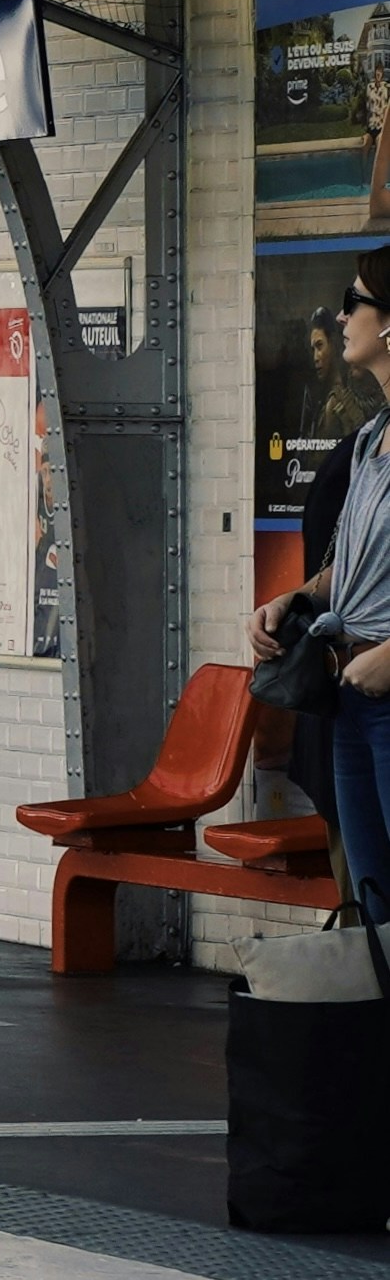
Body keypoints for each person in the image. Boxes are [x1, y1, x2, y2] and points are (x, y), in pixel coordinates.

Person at [251, 245, 390, 901]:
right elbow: (353, 565)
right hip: (350, 695)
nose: (340, 317)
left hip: (384, 689)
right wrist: (295, 597)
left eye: (354, 300)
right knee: (371, 899)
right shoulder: (370, 440)